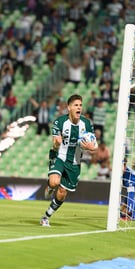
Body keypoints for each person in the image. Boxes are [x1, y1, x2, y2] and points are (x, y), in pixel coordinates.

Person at [40, 94, 97, 227]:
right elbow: (54, 143)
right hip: (59, 156)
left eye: (80, 105)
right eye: (76, 105)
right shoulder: (59, 122)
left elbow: (95, 146)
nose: (79, 108)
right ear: (69, 107)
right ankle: (50, 185)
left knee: (62, 192)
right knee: (55, 182)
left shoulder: (87, 124)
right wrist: (57, 143)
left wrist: (91, 147)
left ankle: (46, 216)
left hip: (75, 163)